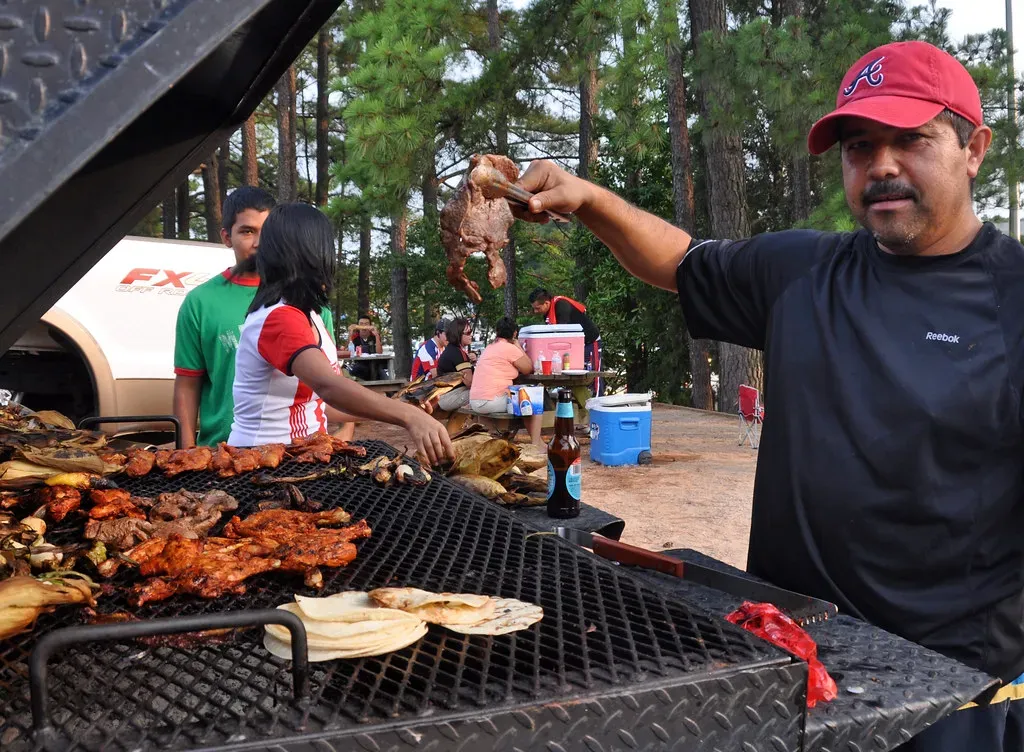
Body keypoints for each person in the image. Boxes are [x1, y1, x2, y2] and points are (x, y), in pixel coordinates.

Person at [512, 41, 1024, 750]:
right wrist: (590, 199)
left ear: (974, 150)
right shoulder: (802, 271)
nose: (881, 165)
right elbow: (681, 261)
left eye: (911, 140)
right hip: (786, 662)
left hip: (949, 697)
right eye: (859, 145)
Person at [228, 202, 452, 464]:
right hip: (263, 461)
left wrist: (400, 406)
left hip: (299, 453)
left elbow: (321, 403)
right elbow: (329, 386)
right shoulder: (278, 318)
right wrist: (407, 416)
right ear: (313, 253)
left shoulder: (308, 314)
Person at [173, 187, 356, 447]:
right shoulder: (201, 302)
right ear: (226, 236)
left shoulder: (311, 304)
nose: (259, 242)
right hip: (223, 450)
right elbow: (187, 386)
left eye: (266, 232)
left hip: (300, 451)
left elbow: (328, 383)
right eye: (248, 231)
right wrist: (187, 454)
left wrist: (347, 427)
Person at [469, 318, 544, 447]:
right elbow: (528, 368)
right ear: (514, 334)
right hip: (491, 401)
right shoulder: (509, 348)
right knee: (533, 402)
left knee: (522, 400)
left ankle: (540, 443)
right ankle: (536, 446)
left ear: (497, 332)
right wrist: (519, 346)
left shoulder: (490, 347)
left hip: (475, 400)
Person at [528, 288, 603, 395]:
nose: (535, 311)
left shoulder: (561, 306)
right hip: (576, 346)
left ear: (546, 303)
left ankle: (597, 400)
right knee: (574, 376)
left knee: (594, 375)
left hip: (590, 342)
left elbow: (563, 334)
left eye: (537, 308)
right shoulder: (547, 313)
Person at [434, 317, 474, 413]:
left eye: (471, 331)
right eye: (468, 332)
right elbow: (470, 382)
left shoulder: (453, 350)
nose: (471, 335)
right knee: (486, 393)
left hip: (446, 395)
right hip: (449, 397)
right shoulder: (458, 353)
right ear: (458, 334)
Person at [346, 314, 382, 381]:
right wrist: (350, 334)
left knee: (381, 374)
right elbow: (348, 351)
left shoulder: (374, 336)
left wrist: (377, 336)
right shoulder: (354, 336)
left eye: (366, 324)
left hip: (374, 363)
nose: (363, 326)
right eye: (361, 324)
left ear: (370, 325)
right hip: (359, 364)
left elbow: (379, 352)